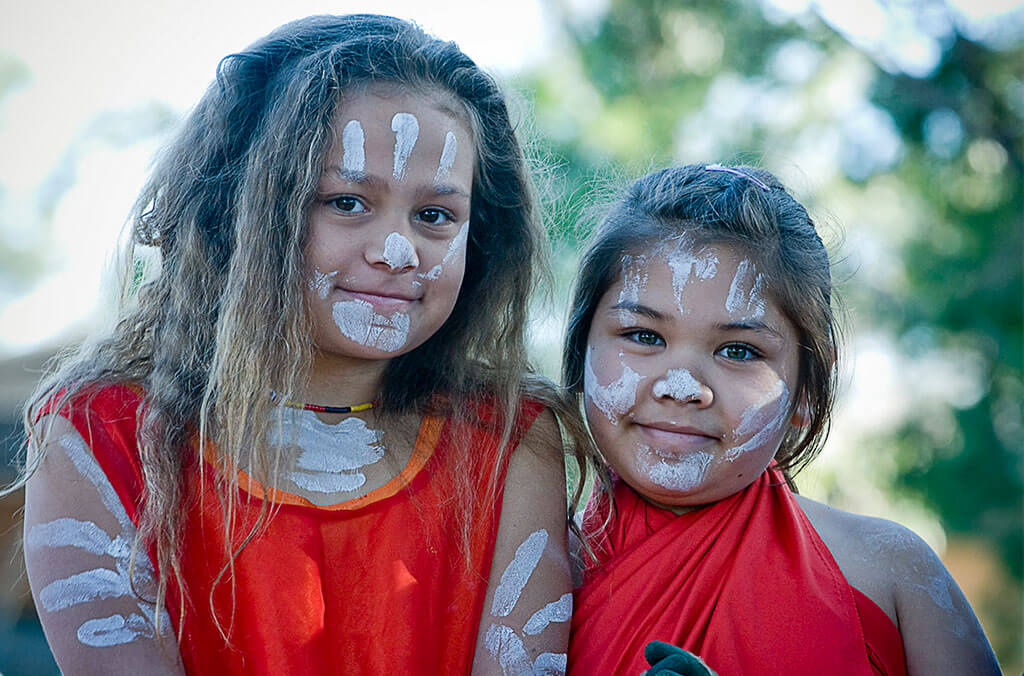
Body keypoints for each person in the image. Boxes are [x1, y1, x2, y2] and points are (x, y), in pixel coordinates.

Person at [14, 15, 577, 675]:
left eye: (434, 216)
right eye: (345, 202)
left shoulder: (509, 437)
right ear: (238, 210)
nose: (396, 251)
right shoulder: (104, 432)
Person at [563, 164, 1001, 674]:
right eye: (643, 336)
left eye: (738, 350)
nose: (681, 387)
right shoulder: (528, 574)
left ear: (807, 392)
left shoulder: (893, 573)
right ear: (579, 348)